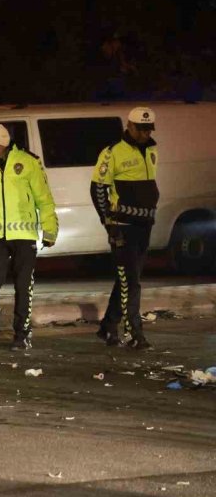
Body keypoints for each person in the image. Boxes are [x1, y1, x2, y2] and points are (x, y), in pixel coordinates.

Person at [0, 124, 58, 350]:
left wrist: (50, 229)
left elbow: (43, 198)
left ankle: (22, 334)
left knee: (23, 286)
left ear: (3, 143)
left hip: (24, 235)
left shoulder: (28, 162)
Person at [90, 106, 159, 349]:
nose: (144, 134)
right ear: (129, 126)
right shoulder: (112, 153)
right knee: (132, 282)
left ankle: (108, 327)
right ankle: (133, 334)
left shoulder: (152, 149)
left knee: (128, 280)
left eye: (148, 129)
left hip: (144, 224)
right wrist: (107, 222)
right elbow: (98, 189)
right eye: (140, 129)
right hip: (123, 226)